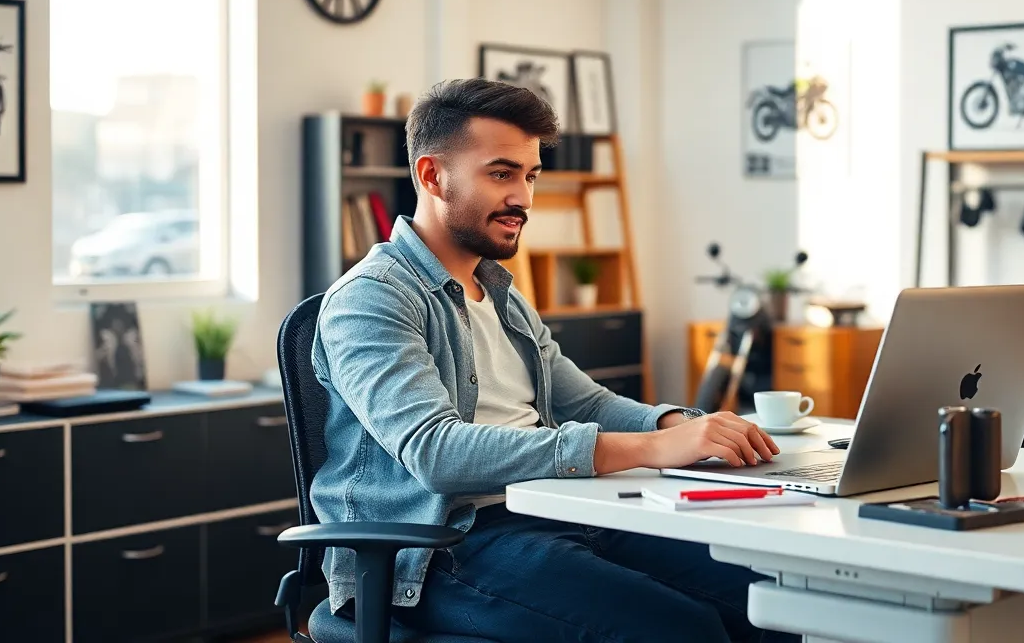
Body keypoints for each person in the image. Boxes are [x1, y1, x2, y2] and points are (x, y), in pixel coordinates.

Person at [312, 77, 798, 642]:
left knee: (769, 598)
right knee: (685, 630)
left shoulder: (500, 292)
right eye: (501, 173)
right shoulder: (372, 297)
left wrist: (684, 426)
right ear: (431, 175)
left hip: (556, 509)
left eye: (530, 175)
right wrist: (652, 448)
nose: (523, 197)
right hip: (441, 550)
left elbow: (584, 401)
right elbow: (436, 451)